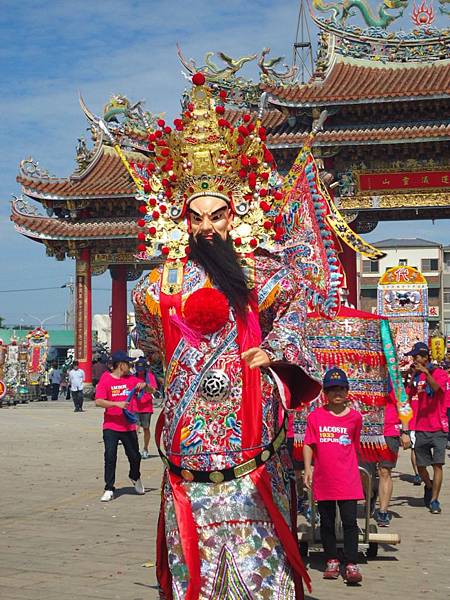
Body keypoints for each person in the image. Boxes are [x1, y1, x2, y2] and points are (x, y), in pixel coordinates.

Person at [131, 73, 323, 599]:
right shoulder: (157, 288)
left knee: (265, 579)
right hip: (189, 460)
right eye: (196, 217)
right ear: (181, 219)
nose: (207, 227)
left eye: (217, 215)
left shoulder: (267, 277)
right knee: (195, 573)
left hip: (253, 457)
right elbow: (155, 352)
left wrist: (275, 357)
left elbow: (299, 335)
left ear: (235, 213)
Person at [303, 367, 363, 584]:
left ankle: (351, 562)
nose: (337, 393)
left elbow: (354, 446)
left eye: (341, 389)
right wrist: (308, 469)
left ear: (347, 391)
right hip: (324, 479)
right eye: (332, 389)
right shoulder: (316, 417)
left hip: (347, 479)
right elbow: (309, 444)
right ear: (325, 394)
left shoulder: (355, 418)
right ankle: (331, 560)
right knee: (326, 522)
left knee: (349, 522)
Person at [95, 350, 151, 502]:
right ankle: (109, 487)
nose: (130, 366)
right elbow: (98, 401)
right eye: (128, 363)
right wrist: (116, 404)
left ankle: (135, 477)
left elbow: (152, 390)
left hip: (128, 426)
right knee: (110, 456)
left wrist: (144, 385)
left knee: (135, 457)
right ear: (120, 365)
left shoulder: (132, 379)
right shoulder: (106, 379)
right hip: (111, 425)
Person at [405, 342, 448, 514]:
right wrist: (411, 377)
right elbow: (407, 396)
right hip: (421, 426)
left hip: (438, 426)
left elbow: (437, 388)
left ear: (425, 357)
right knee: (421, 466)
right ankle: (428, 485)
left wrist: (426, 373)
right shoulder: (416, 376)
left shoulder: (440, 373)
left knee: (438, 464)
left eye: (416, 357)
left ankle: (435, 500)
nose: (414, 360)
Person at [375, 386, 411, 526]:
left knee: (384, 471)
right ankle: (371, 494)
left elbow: (404, 405)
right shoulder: (365, 370)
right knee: (364, 473)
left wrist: (405, 431)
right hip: (366, 431)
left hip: (389, 430)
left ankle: (383, 511)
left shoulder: (394, 377)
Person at [131, 357, 157, 459]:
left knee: (146, 428)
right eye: (138, 368)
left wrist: (146, 386)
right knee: (135, 428)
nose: (140, 370)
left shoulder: (150, 376)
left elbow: (153, 390)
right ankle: (134, 449)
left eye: (141, 368)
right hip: (135, 406)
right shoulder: (132, 377)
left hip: (146, 407)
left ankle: (145, 448)